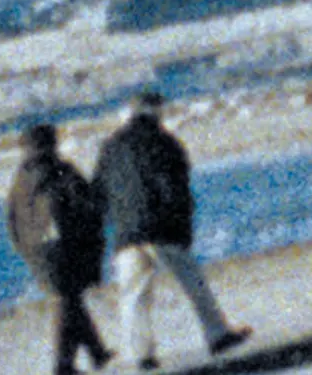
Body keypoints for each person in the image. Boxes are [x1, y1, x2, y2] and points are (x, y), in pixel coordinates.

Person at [94, 90, 252, 371]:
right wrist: (183, 229)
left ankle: (141, 355)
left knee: (133, 295)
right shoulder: (166, 143)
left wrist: (114, 223)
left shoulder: (110, 146)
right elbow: (175, 190)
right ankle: (217, 334)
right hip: (161, 227)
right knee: (193, 283)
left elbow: (99, 191)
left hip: (126, 233)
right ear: (157, 112)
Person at [7, 123, 113, 375]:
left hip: (34, 248)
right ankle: (63, 365)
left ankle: (97, 353)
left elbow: (11, 220)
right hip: (62, 247)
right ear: (52, 144)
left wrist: (22, 247)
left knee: (70, 299)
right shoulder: (61, 171)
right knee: (67, 302)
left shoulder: (20, 180)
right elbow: (86, 203)